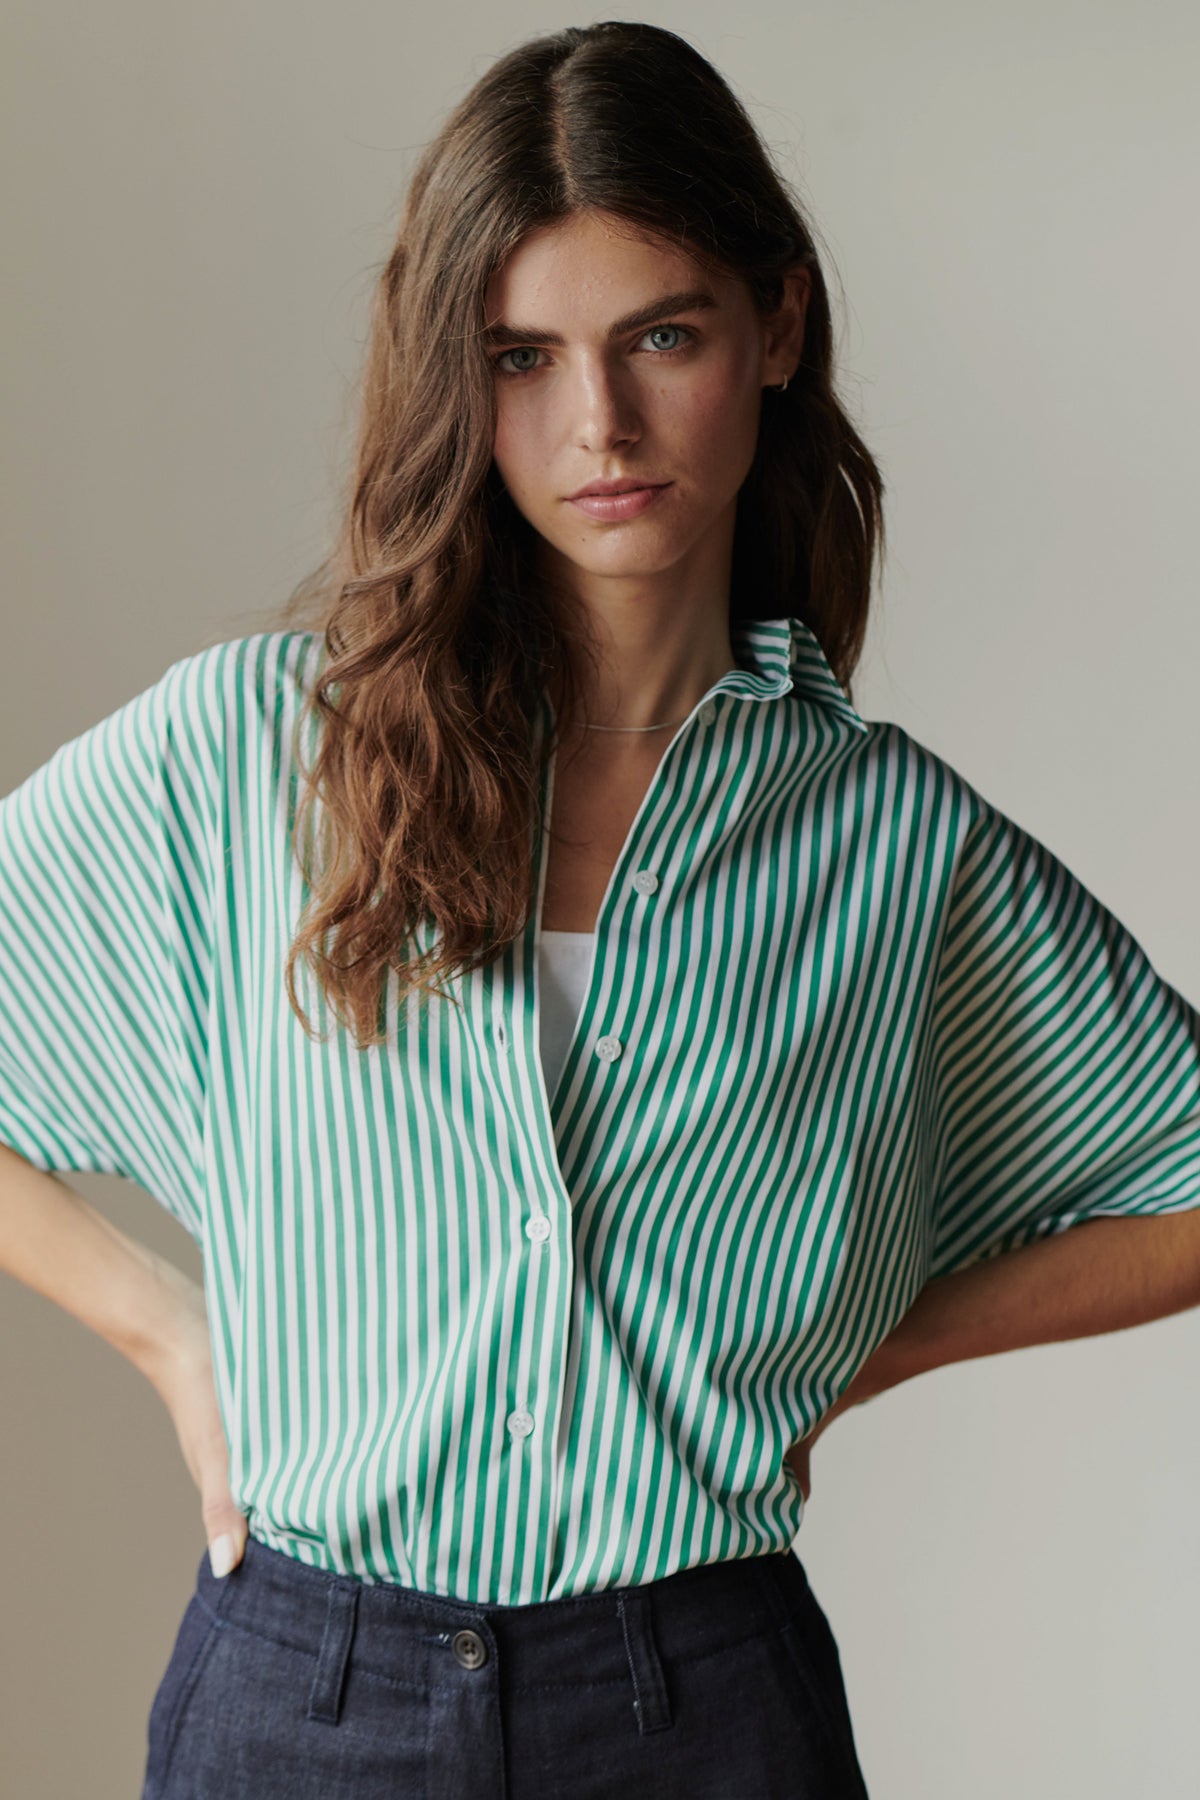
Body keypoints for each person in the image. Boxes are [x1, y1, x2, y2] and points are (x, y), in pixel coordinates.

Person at [1, 18, 1198, 1798]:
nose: (600, 424)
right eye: (520, 355)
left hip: (698, 1702)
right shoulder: (255, 752)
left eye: (662, 334)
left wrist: (862, 1347)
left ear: (776, 327)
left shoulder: (886, 845)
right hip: (299, 1700)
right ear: (455, 381)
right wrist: (174, 1331)